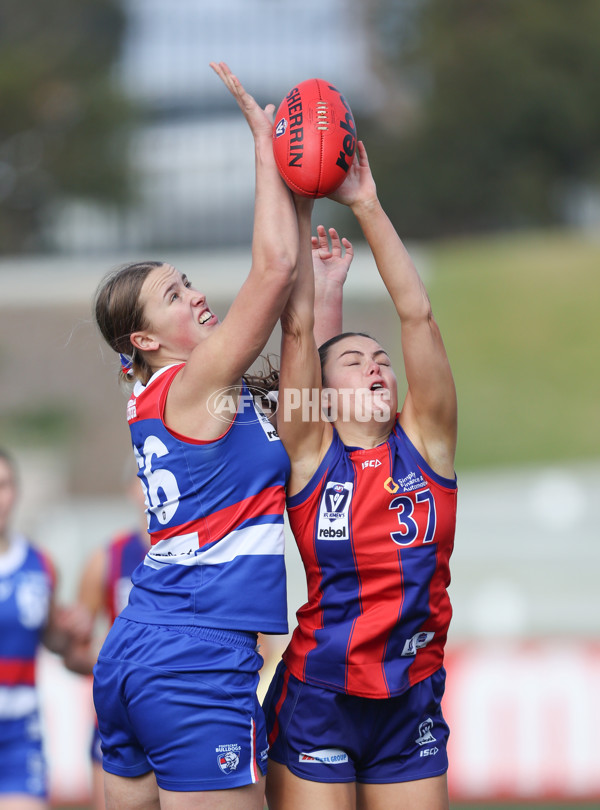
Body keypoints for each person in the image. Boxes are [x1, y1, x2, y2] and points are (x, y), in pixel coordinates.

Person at [91, 62, 344, 810]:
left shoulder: (178, 396)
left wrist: (319, 287)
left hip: (143, 644)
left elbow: (301, 390)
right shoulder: (194, 386)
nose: (196, 295)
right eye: (175, 295)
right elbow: (271, 272)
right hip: (196, 656)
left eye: (186, 280)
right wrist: (269, 149)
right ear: (144, 337)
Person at [263, 141, 458, 810]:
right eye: (354, 360)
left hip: (412, 693)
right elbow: (296, 340)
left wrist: (366, 203)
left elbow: (417, 316)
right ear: (323, 390)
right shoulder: (311, 453)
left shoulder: (427, 443)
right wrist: (300, 197)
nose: (377, 364)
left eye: (382, 360)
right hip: (321, 695)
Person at [0, 448, 90, 810]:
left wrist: (71, 629)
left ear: (16, 492)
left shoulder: (40, 566)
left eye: (3, 485)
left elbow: (53, 639)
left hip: (21, 734)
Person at [62, 474, 150, 810]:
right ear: (131, 488)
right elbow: (74, 651)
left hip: (182, 712)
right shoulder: (108, 557)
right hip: (117, 720)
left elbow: (258, 644)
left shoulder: (204, 552)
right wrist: (106, 653)